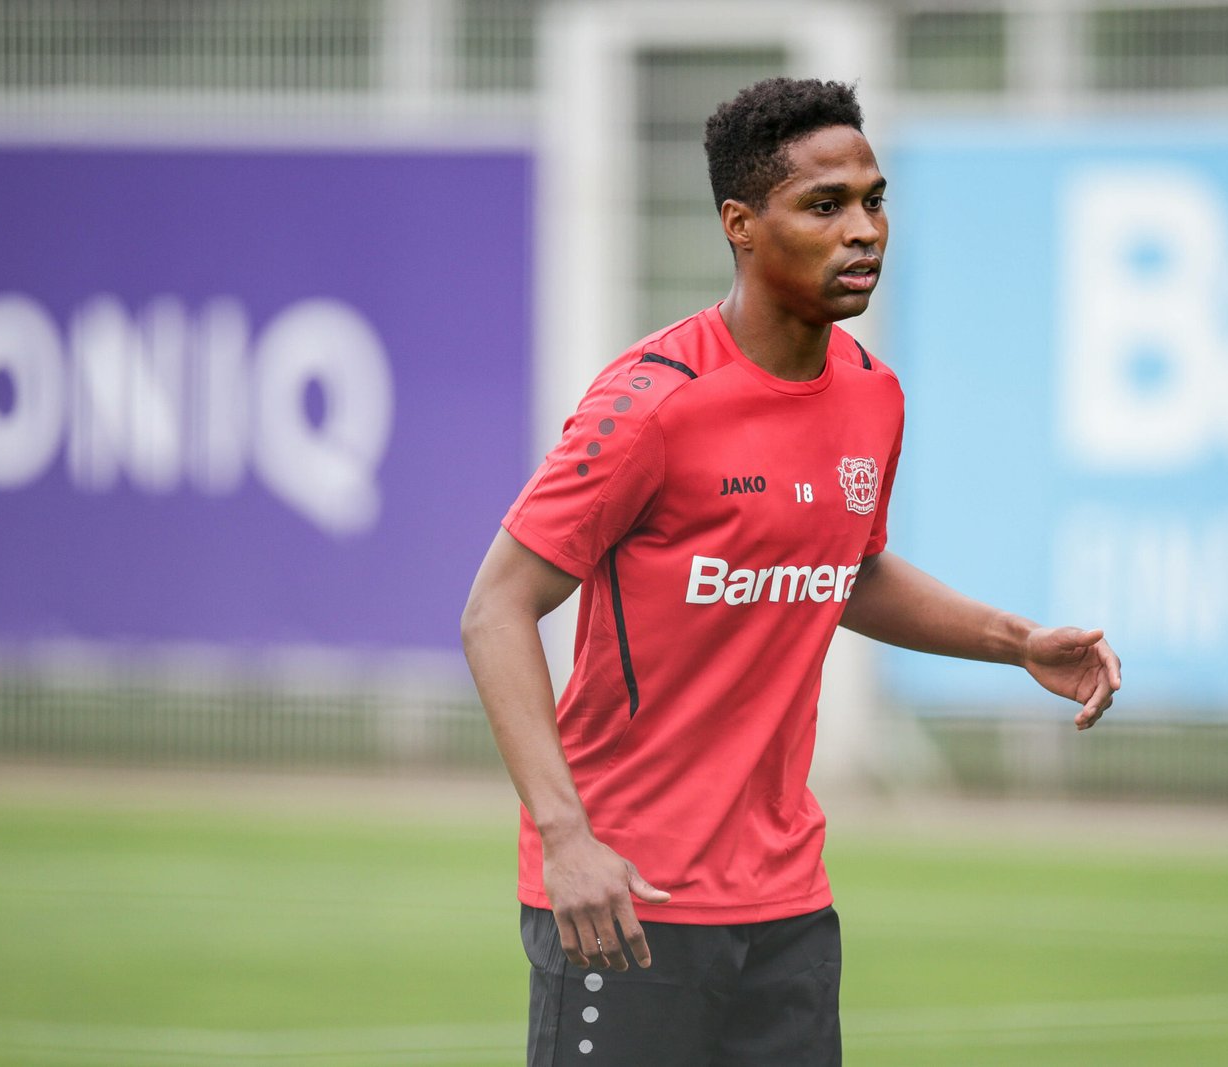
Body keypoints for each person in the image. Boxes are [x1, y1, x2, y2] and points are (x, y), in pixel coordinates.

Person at [460, 76, 1120, 1067]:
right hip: (627, 893)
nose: (863, 231)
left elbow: (842, 569)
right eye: (824, 205)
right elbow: (496, 608)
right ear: (741, 224)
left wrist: (1016, 640)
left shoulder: (871, 394)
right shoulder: (650, 404)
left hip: (787, 904)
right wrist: (564, 836)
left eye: (873, 200)